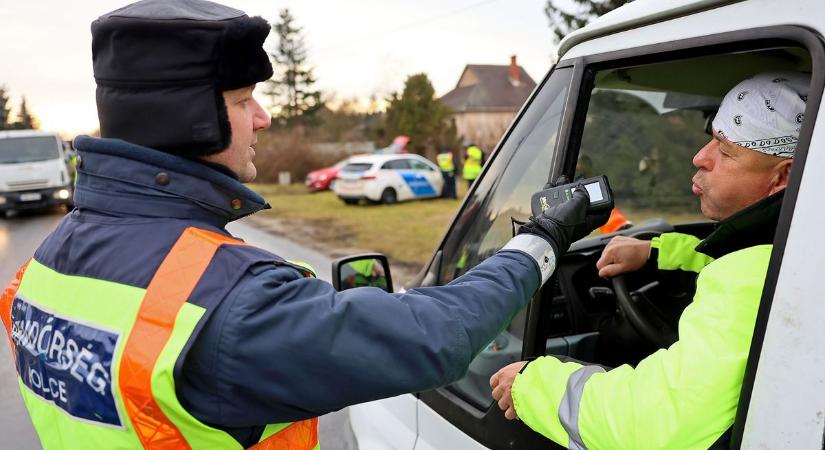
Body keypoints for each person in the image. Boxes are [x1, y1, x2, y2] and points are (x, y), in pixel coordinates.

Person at [0, 1, 609, 449]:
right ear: (184, 121)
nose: (263, 118)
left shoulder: (46, 263)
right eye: (243, 101)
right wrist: (542, 239)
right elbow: (435, 338)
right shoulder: (225, 301)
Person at [490, 71, 809, 449]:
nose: (699, 157)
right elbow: (732, 256)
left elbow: (655, 423)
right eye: (711, 138)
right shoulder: (793, 245)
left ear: (783, 176)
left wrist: (532, 384)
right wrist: (655, 252)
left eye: (725, 150)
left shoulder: (756, 283)